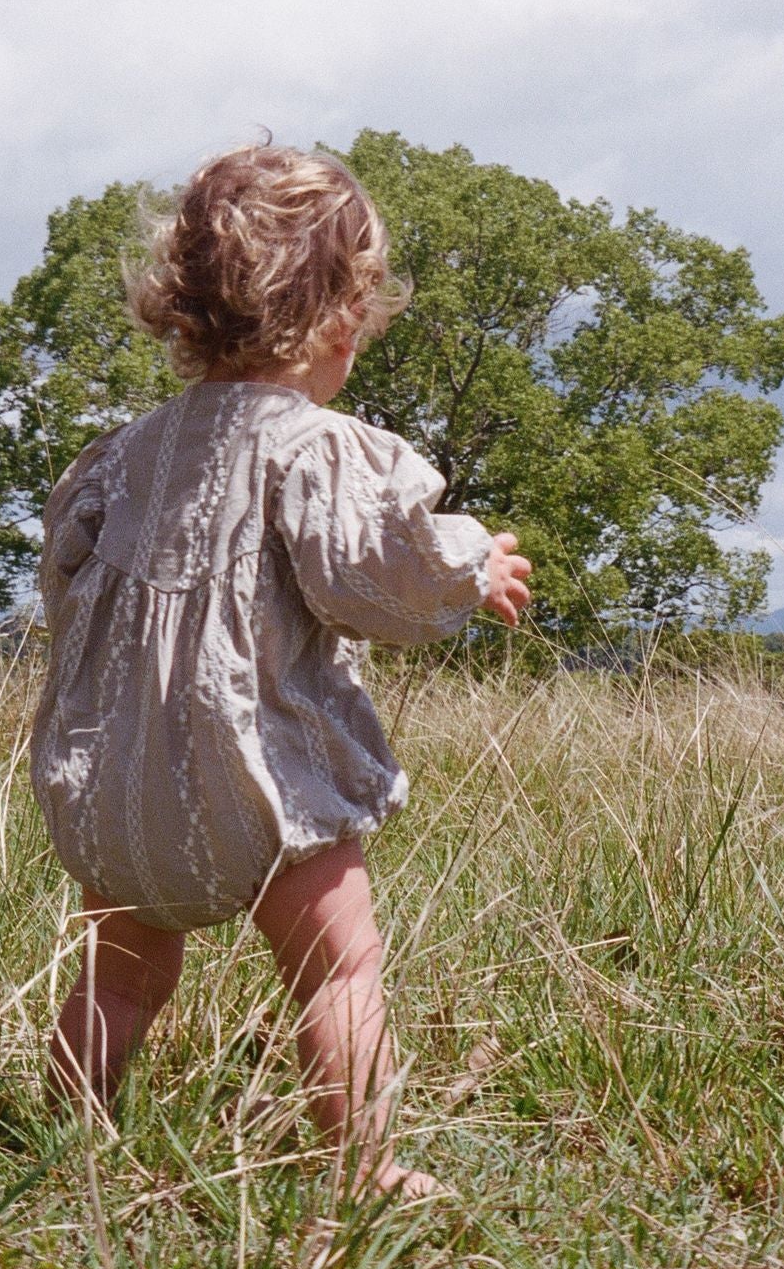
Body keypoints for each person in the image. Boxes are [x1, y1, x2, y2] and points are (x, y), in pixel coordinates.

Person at [30, 142, 531, 1199]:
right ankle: (362, 1171)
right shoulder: (315, 447)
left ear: (183, 307)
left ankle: (66, 1143)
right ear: (344, 318)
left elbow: (66, 582)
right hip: (261, 788)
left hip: (115, 791)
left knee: (120, 977)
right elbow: (373, 578)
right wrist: (468, 567)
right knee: (338, 968)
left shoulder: (122, 456)